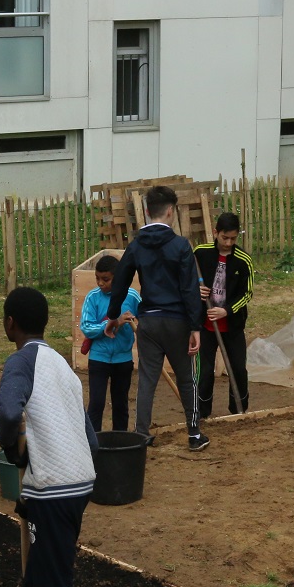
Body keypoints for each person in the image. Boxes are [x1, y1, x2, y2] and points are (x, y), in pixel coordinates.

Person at [0, 287, 97, 587]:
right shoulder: (62, 366)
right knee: (39, 580)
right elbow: (87, 431)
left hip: (54, 490)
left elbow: (9, 413)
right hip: (75, 484)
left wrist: (15, 452)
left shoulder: (20, 362)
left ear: (10, 323)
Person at [105, 185, 208, 450]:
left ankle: (141, 435)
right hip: (177, 322)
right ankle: (194, 434)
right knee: (187, 379)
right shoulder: (180, 246)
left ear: (147, 211)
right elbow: (189, 289)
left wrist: (112, 316)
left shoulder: (137, 246)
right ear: (171, 212)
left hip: (149, 322)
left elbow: (120, 284)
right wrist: (195, 326)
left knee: (147, 382)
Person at [193, 212, 254, 417]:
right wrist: (196, 290)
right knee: (205, 371)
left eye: (233, 239)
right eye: (224, 238)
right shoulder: (200, 254)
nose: (228, 243)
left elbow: (247, 294)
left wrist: (226, 310)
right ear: (215, 233)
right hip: (206, 325)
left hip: (233, 326)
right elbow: (186, 280)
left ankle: (238, 410)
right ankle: (202, 413)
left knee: (238, 369)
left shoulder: (243, 260)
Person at [78, 254, 141, 432]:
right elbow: (86, 327)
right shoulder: (92, 297)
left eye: (105, 279)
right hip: (99, 359)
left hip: (123, 360)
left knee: (121, 405)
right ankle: (93, 443)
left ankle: (120, 443)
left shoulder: (132, 296)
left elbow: (144, 319)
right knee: (96, 404)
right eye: (97, 278)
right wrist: (112, 323)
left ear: (118, 276)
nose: (100, 283)